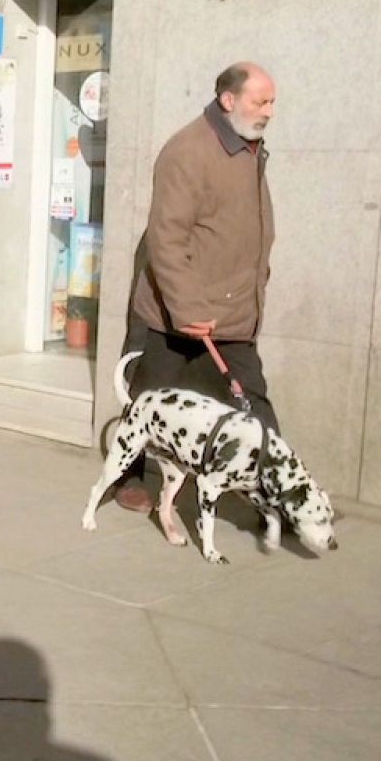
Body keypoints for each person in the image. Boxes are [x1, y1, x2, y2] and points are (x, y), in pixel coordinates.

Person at [115, 62, 279, 514]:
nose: (268, 111)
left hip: (232, 309)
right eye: (259, 101)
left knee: (254, 405)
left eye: (271, 102)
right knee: (148, 401)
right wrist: (187, 307)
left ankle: (281, 496)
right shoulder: (188, 151)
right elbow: (167, 236)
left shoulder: (249, 148)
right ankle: (127, 477)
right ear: (229, 100)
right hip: (178, 313)